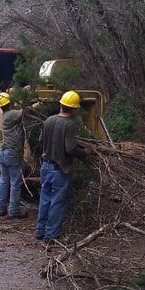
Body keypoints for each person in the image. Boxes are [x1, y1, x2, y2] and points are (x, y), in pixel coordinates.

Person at [35, 90, 86, 243]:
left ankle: (40, 231)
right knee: (57, 202)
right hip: (60, 170)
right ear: (74, 108)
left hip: (46, 167)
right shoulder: (70, 124)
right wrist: (85, 153)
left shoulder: (49, 120)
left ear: (61, 105)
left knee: (45, 199)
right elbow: (70, 148)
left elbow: (40, 140)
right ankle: (51, 236)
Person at [0, 92, 27, 219]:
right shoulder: (12, 114)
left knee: (4, 180)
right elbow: (25, 111)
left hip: (4, 153)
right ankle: (14, 211)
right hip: (13, 153)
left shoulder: (4, 115)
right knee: (15, 182)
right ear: (10, 103)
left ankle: (0, 208)